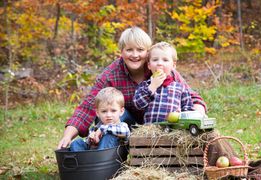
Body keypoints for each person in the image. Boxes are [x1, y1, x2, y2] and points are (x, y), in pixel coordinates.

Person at [57, 26, 206, 150]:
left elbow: (191, 97)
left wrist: (197, 116)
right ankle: (104, 158)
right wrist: (67, 136)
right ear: (121, 51)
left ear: (147, 52)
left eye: (140, 50)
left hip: (158, 126)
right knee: (113, 114)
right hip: (123, 126)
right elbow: (88, 106)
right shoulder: (111, 75)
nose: (135, 55)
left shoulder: (161, 69)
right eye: (129, 50)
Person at [133, 42, 194, 124]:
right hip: (150, 131)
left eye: (165, 60)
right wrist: (152, 86)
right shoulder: (144, 85)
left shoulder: (180, 88)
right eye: (155, 60)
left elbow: (188, 108)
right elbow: (138, 104)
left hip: (172, 130)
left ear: (173, 65)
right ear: (149, 65)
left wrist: (181, 115)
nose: (159, 63)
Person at [70, 87, 130, 151]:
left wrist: (102, 129)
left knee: (108, 136)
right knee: (77, 142)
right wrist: (92, 140)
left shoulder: (122, 126)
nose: (108, 115)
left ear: (121, 111)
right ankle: (81, 159)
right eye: (104, 111)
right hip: (94, 155)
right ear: (98, 113)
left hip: (110, 157)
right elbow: (88, 142)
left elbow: (126, 132)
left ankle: (96, 160)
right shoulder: (97, 127)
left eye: (113, 111)